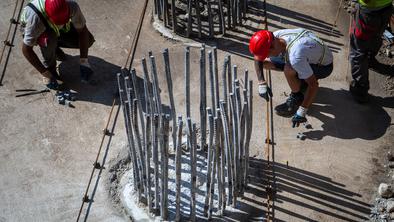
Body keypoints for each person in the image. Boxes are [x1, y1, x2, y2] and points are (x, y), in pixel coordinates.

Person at [249, 28, 334, 127]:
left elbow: (313, 85)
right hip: (307, 55)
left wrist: (302, 111)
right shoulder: (275, 36)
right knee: (265, 63)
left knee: (288, 68)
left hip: (323, 67)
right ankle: (301, 81)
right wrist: (261, 82)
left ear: (272, 47)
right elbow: (258, 58)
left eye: (266, 53)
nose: (265, 56)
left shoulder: (296, 56)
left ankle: (297, 97)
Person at [21, 0, 95, 90]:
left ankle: (54, 48)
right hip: (39, 31)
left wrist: (84, 61)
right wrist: (45, 73)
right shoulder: (35, 19)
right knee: (49, 39)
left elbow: (83, 31)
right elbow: (26, 50)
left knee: (89, 39)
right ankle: (51, 68)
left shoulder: (72, 6)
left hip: (54, 27)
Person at [348, 0, 393, 103]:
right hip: (386, 8)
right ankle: (369, 59)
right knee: (375, 36)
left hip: (369, 11)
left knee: (358, 50)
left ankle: (360, 90)